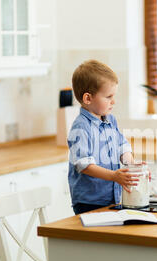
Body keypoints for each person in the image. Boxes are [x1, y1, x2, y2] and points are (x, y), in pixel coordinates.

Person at [67, 60, 138, 215]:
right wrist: (114, 176)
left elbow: (122, 146)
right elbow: (84, 165)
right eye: (108, 97)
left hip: (112, 198)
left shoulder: (110, 120)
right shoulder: (81, 127)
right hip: (89, 202)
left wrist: (132, 166)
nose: (114, 101)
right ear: (88, 99)